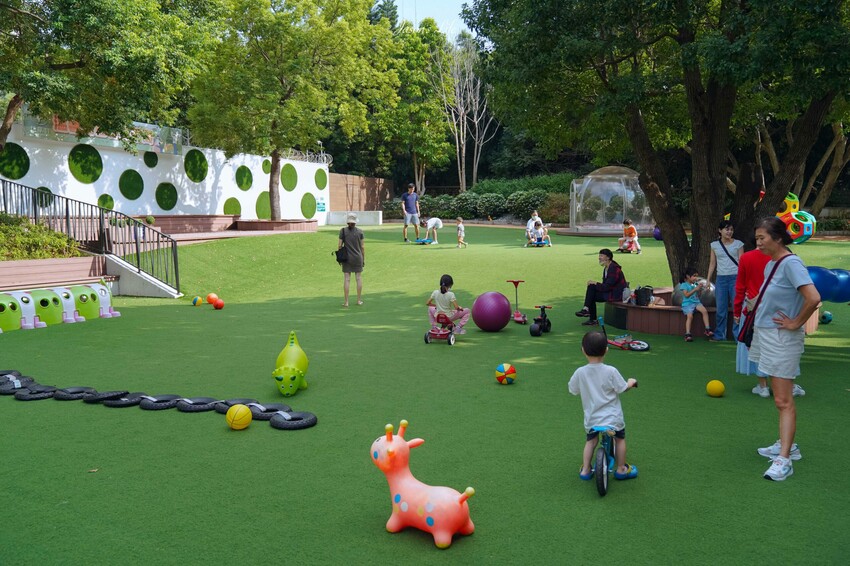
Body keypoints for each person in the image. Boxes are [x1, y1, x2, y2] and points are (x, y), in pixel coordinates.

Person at [750, 217, 820, 481]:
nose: (758, 243)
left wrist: (796, 322)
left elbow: (813, 298)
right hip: (767, 334)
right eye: (756, 238)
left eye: (762, 238)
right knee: (779, 398)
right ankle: (786, 445)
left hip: (781, 338)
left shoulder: (791, 263)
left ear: (778, 238)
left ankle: (785, 459)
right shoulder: (772, 264)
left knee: (783, 400)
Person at [734, 246, 806, 398]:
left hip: (757, 310)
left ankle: (764, 386)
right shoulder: (779, 261)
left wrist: (737, 310)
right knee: (780, 349)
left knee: (763, 348)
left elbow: (741, 286)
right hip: (777, 313)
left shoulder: (779, 261)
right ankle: (786, 386)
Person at [568, 331, 639, 481]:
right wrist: (631, 382)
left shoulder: (580, 372)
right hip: (613, 418)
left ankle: (586, 470)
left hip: (592, 419)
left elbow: (572, 389)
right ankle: (621, 469)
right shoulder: (611, 371)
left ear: (583, 350)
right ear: (606, 350)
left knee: (591, 441)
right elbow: (622, 388)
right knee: (619, 439)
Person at [705, 220, 744, 341]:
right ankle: (720, 334)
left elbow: (742, 263)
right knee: (721, 308)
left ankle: (738, 335)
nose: (729, 232)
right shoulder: (714, 245)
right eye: (727, 229)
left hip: (735, 278)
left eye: (731, 229)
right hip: (721, 278)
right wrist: (708, 279)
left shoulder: (738, 244)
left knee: (737, 307)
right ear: (720, 230)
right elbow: (712, 263)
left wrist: (743, 279)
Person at [574, 249, 628, 326]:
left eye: (601, 256)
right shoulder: (607, 268)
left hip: (616, 294)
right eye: (599, 255)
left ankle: (588, 313)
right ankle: (587, 311)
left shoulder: (613, 268)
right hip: (611, 291)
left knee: (592, 291)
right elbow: (606, 286)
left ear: (608, 257)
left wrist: (596, 283)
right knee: (591, 289)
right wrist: (595, 284)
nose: (599, 258)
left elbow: (608, 286)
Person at [678, 267, 713, 342]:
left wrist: (703, 289)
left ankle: (707, 329)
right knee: (690, 316)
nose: (696, 278)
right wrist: (695, 289)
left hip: (696, 302)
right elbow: (686, 295)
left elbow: (698, 293)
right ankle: (687, 334)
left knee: (704, 311)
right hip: (687, 303)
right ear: (688, 276)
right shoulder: (684, 285)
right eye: (694, 276)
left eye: (696, 276)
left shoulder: (695, 284)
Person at [338, 212, 364, 307]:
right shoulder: (360, 232)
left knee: (347, 279)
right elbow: (362, 247)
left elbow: (339, 245)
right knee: (358, 278)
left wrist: (340, 256)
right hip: (358, 257)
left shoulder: (343, 231)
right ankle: (358, 300)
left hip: (347, 258)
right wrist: (363, 259)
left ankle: (346, 302)